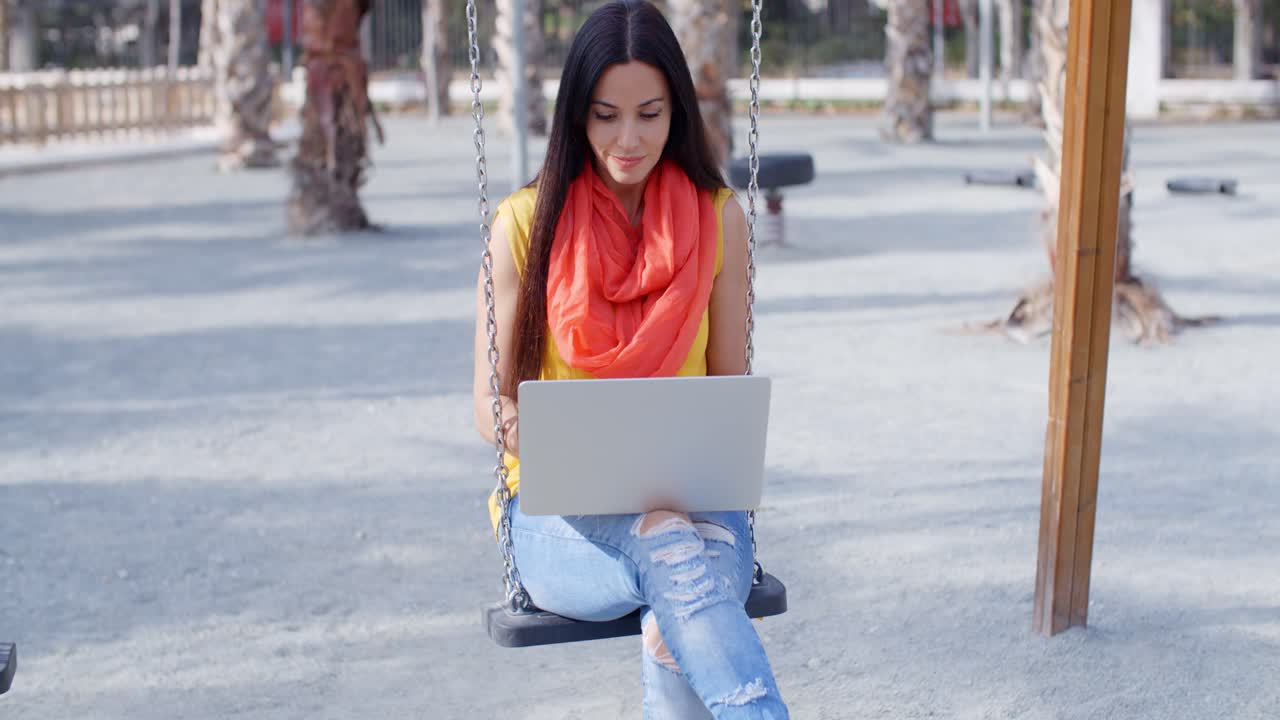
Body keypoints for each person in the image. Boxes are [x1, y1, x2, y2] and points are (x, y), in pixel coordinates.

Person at [471, 2, 788, 717]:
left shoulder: (718, 220)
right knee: (673, 556)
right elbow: (488, 406)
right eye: (605, 115)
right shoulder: (524, 224)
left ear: (676, 108)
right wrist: (526, 428)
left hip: (698, 513)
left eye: (649, 113)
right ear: (576, 115)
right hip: (560, 525)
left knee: (676, 576)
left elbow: (725, 396)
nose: (628, 138)